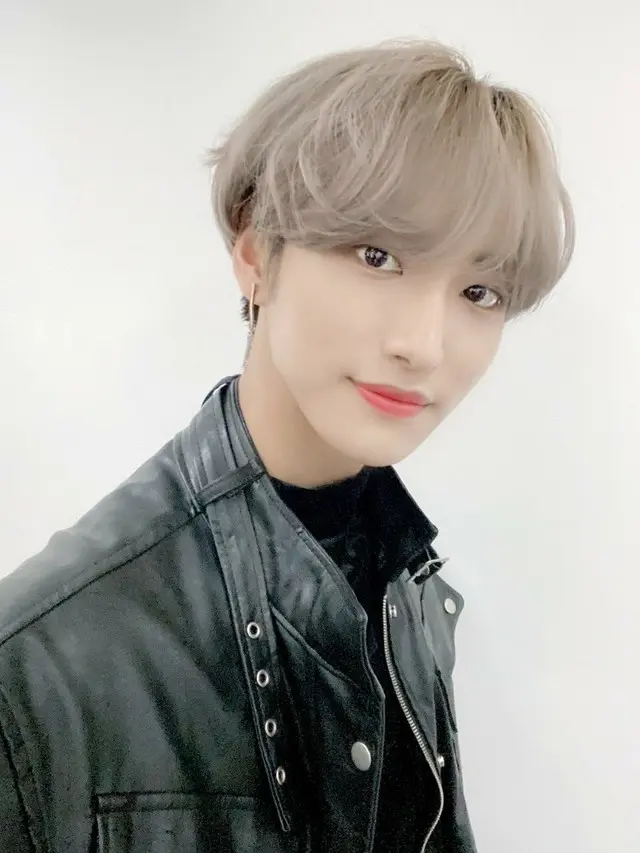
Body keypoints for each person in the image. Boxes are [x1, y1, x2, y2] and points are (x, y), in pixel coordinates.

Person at [0, 38, 574, 853]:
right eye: (378, 256)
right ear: (253, 251)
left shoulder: (408, 588)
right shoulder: (36, 667)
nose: (424, 344)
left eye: (479, 291)